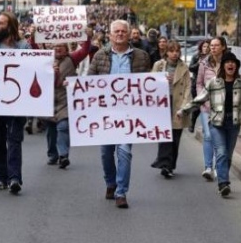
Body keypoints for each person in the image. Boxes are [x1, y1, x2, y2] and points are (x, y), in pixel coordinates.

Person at [179, 53, 241, 197]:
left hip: (233, 124)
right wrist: (184, 111)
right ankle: (224, 183)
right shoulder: (214, 83)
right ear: (223, 65)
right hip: (217, 123)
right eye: (227, 62)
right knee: (222, 152)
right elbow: (198, 100)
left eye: (233, 62)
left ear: (236, 66)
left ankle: (222, 176)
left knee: (227, 155)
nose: (230, 65)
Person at [87, 19, 151, 208]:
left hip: (129, 114)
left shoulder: (141, 56)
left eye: (124, 31)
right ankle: (110, 183)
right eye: (117, 31)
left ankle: (121, 192)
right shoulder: (100, 56)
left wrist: (162, 81)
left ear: (129, 33)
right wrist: (74, 86)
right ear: (110, 35)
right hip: (105, 114)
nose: (120, 34)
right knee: (106, 153)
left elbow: (149, 83)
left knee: (124, 152)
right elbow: (89, 81)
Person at [0, 11, 31, 194]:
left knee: (14, 140)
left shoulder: (24, 47)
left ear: (10, 27)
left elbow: (31, 71)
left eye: (1, 23)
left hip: (16, 103)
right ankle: (0, 177)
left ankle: (14, 178)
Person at [44, 33, 93, 170]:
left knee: (63, 126)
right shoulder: (45, 60)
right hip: (49, 100)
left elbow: (85, 50)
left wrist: (86, 36)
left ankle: (63, 155)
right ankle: (52, 154)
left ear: (66, 49)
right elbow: (32, 50)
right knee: (51, 130)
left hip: (65, 99)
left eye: (60, 46)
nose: (57, 48)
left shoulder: (72, 58)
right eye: (55, 46)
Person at [150, 40, 192, 178]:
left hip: (178, 104)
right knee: (164, 135)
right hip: (162, 103)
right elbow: (149, 83)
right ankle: (164, 164)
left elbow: (187, 88)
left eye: (177, 51)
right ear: (167, 52)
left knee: (175, 137)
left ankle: (170, 164)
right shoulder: (159, 65)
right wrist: (162, 79)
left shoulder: (184, 67)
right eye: (172, 51)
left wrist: (185, 107)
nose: (175, 54)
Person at [197, 36, 226, 181]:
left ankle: (217, 166)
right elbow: (199, 83)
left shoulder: (229, 63)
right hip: (207, 106)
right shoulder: (204, 63)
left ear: (223, 47)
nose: (212, 48)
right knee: (208, 135)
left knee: (219, 137)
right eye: (211, 45)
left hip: (223, 106)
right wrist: (203, 99)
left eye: (216, 45)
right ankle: (208, 167)